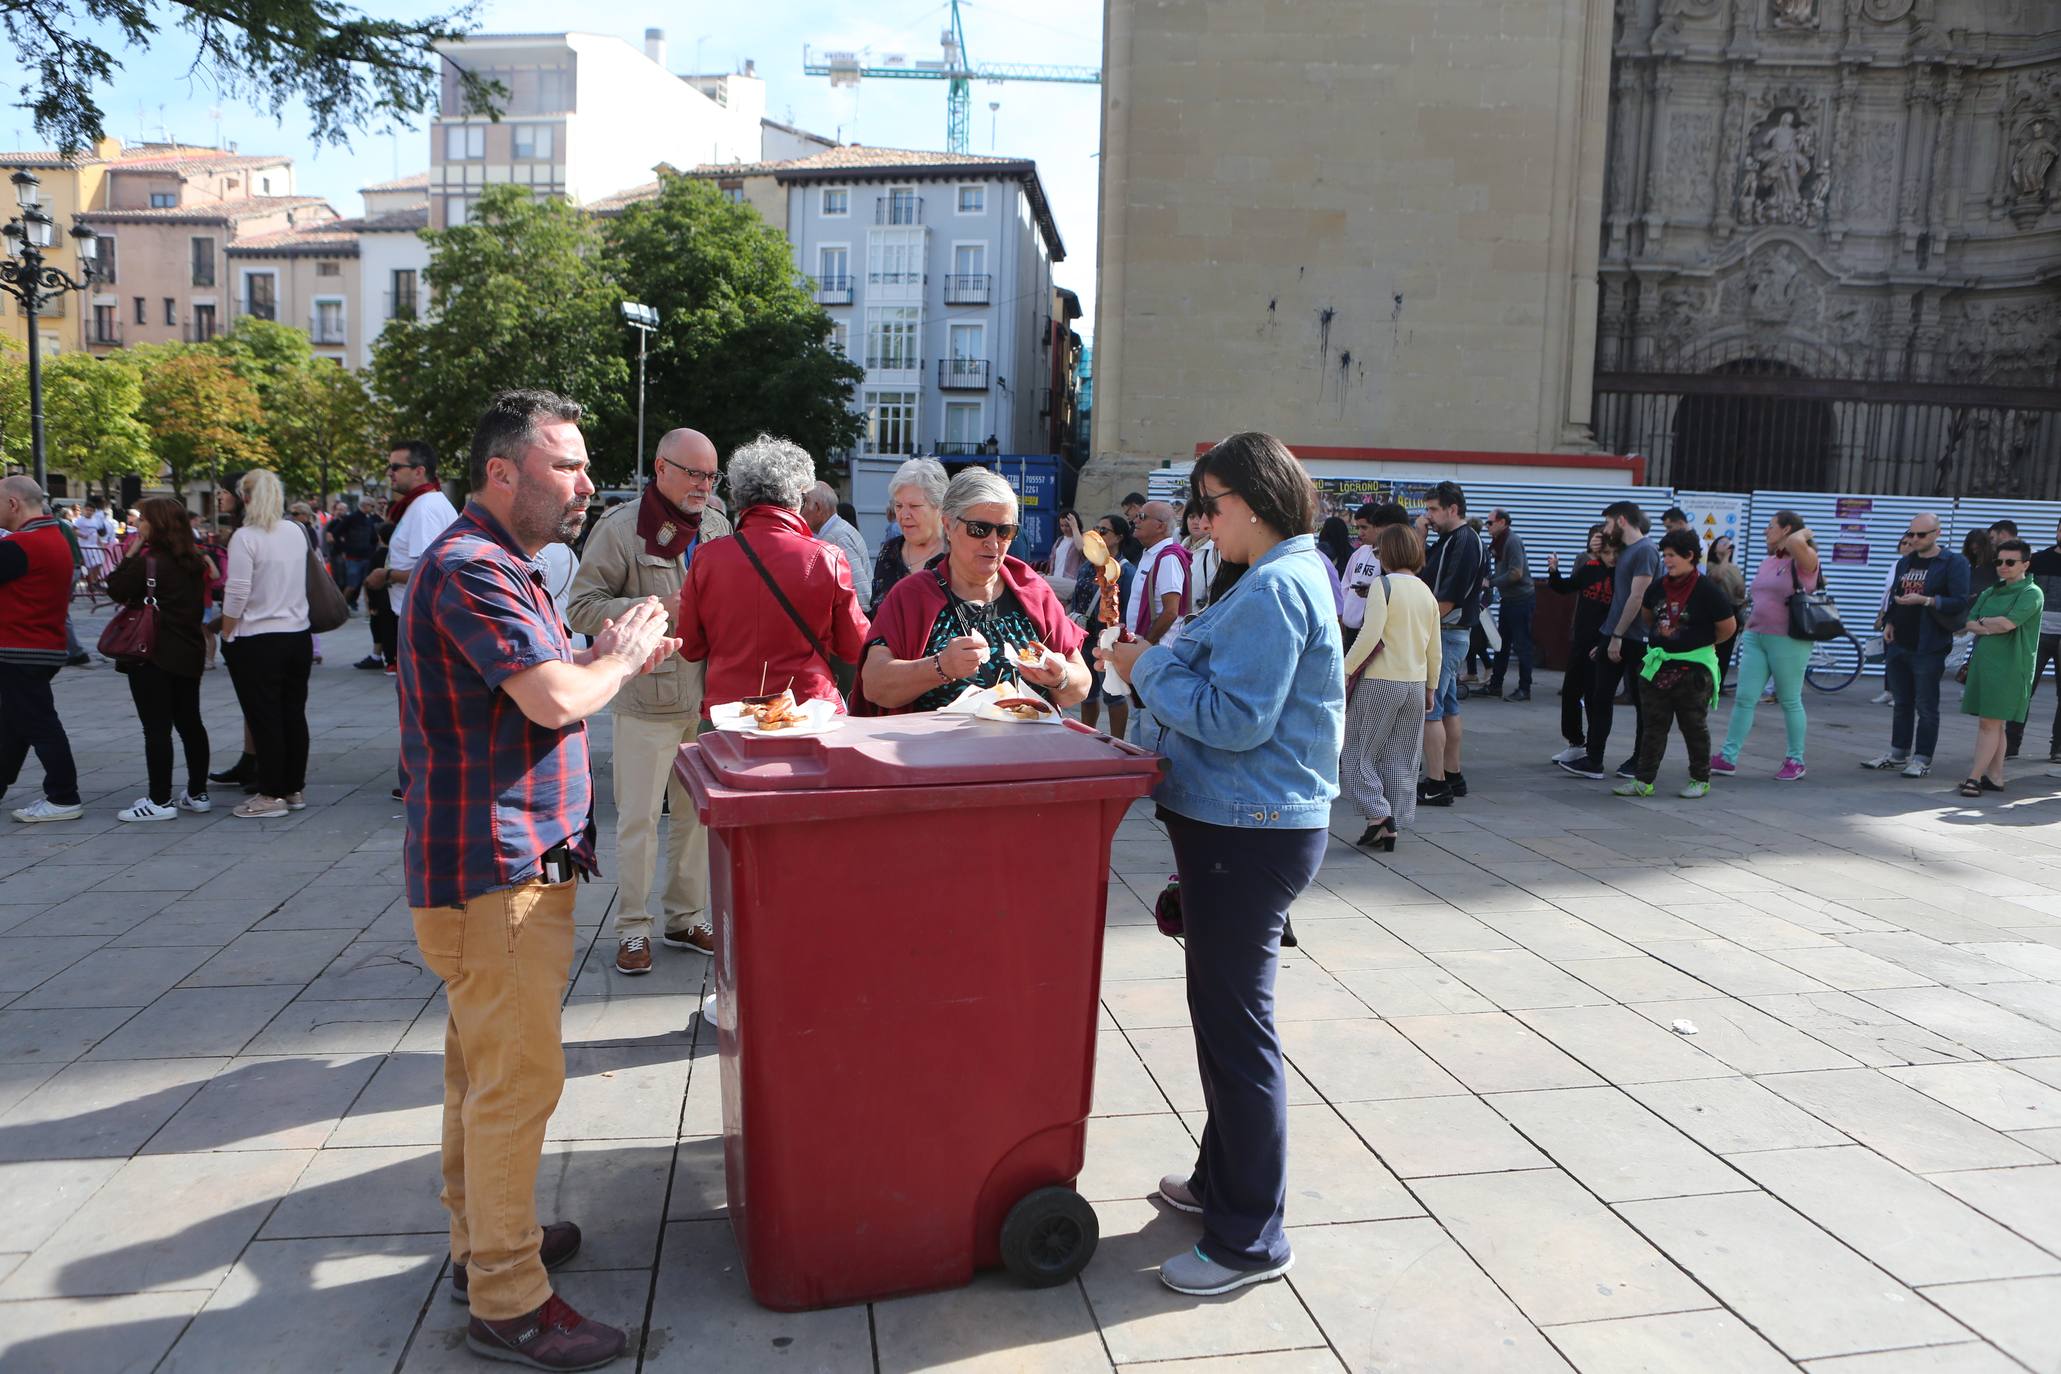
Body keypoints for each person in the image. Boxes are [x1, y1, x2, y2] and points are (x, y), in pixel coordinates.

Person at [402, 389, 668, 1372]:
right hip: (493, 874)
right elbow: (553, 699)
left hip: (501, 870)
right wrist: (622, 659)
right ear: (500, 472)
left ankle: (485, 1242)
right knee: (518, 1082)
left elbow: (541, 682)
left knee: (480, 1072)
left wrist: (601, 650)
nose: (586, 483)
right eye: (565, 464)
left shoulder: (502, 567)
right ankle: (508, 1300)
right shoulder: (473, 568)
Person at [1097, 432, 1342, 1298]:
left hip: (1252, 830)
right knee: (1223, 1019)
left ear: (1250, 499)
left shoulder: (1276, 584)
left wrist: (1145, 666)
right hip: (1244, 824)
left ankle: (1250, 1239)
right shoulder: (1278, 577)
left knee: (1238, 1032)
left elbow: (1236, 718)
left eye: (1208, 504)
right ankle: (1219, 1184)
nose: (1202, 524)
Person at [570, 428, 736, 973]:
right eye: (693, 473)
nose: (703, 485)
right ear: (660, 468)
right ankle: (633, 927)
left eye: (711, 476)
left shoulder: (716, 524)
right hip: (648, 695)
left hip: (706, 696)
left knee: (695, 818)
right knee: (639, 820)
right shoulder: (620, 528)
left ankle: (686, 917)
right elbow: (582, 608)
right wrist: (652, 605)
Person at [862, 467, 1088, 713]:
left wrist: (1061, 677)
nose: (992, 543)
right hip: (939, 749)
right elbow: (874, 685)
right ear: (948, 525)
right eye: (978, 529)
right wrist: (940, 667)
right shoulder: (913, 595)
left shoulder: (1032, 591)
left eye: (1005, 531)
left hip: (1026, 749)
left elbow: (1081, 686)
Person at [677, 435, 870, 713]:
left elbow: (690, 647)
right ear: (799, 498)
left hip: (730, 712)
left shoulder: (707, 557)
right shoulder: (826, 557)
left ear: (738, 497)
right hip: (806, 710)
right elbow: (855, 646)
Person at [105, 497, 216, 822]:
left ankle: (159, 800)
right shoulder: (195, 560)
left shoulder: (147, 561)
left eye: (143, 520)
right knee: (190, 723)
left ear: (154, 524)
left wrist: (131, 551)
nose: (138, 525)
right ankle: (198, 792)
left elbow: (115, 589)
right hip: (188, 650)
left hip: (152, 652)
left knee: (156, 728)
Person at [220, 469, 314, 819]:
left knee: (265, 717)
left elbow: (238, 591)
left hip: (258, 637)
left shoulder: (245, 537)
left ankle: (271, 792)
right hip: (297, 633)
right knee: (293, 714)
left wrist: (227, 631)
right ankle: (293, 787)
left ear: (246, 497)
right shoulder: (297, 531)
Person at [1340, 523, 1440, 851]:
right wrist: (1431, 687)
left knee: (1356, 752)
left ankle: (1379, 814)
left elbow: (1370, 635)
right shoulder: (1425, 591)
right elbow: (1434, 646)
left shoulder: (1383, 586)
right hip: (1414, 683)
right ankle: (1388, 822)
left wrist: (1344, 669)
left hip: (1380, 681)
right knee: (1397, 757)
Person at [1616, 530, 1735, 799]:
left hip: (1693, 671)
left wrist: (1697, 644)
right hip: (1659, 666)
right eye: (1665, 555)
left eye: (1672, 556)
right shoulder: (1658, 587)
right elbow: (1648, 617)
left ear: (1690, 556)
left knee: (1693, 726)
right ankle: (1643, 781)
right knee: (1652, 726)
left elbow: (1727, 628)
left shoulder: (1707, 590)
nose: (1667, 561)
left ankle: (1699, 778)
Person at [1710, 512, 1820, 783]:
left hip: (1789, 638)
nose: (1765, 532)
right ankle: (1728, 756)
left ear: (1787, 530)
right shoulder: (1769, 561)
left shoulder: (1805, 560)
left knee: (1790, 699)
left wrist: (1804, 533)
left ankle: (1796, 759)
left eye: (1770, 527)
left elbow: (1796, 541)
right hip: (1756, 636)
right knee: (1744, 698)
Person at [0, 476, 84, 823]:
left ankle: (64, 797)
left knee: (39, 723)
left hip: (21, 647)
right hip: (39, 644)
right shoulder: (53, 536)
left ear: (13, 504)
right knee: (15, 723)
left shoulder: (21, 545)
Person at [1865, 511, 1971, 779]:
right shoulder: (1905, 562)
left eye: (1920, 534)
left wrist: (1926, 600)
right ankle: (1898, 754)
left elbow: (1959, 601)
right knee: (1901, 702)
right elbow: (1896, 596)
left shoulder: (1953, 562)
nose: (1913, 539)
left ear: (1937, 534)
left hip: (1929, 643)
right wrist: (1889, 622)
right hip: (1899, 641)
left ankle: (1922, 758)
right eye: (1910, 534)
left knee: (1926, 705)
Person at [1559, 502, 1659, 782]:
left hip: (1634, 637)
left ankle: (1640, 760)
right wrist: (1607, 637)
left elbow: (1637, 598)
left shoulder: (1646, 551)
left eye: (1607, 524)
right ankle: (1594, 759)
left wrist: (1616, 636)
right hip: (1612, 633)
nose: (1605, 529)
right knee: (1599, 696)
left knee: (1642, 702)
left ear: (1621, 521)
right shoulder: (1625, 551)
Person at [1958, 538, 2044, 799]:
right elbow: (1970, 623)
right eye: (1999, 561)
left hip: (2011, 667)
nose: (2003, 566)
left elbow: (2007, 624)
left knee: (1988, 723)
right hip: (1985, 664)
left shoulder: (2032, 593)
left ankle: (1974, 777)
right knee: (1994, 724)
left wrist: (1986, 622)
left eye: (2010, 562)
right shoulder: (1991, 591)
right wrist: (1988, 623)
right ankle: (1995, 776)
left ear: (2025, 564)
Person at [1419, 481, 1485, 804]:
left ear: (1452, 509)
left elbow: (1449, 594)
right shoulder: (1450, 539)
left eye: (1433, 509)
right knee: (1446, 705)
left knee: (1431, 706)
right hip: (1446, 629)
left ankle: (1436, 782)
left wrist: (1421, 627)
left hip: (1446, 630)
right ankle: (1451, 775)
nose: (1428, 516)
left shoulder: (1464, 540)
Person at [1547, 528, 1616, 768]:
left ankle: (1594, 751)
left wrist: (1606, 642)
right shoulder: (1591, 569)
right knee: (1570, 693)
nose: (1611, 557)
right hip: (1581, 642)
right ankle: (1576, 743)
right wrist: (1554, 570)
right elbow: (1565, 587)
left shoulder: (1623, 575)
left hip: (1602, 644)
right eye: (1606, 552)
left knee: (1595, 699)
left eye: (1614, 552)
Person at [371, 440, 459, 620]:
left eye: (395, 467)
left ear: (419, 471)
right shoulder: (425, 503)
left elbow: (430, 574)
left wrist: (386, 575)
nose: (389, 473)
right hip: (419, 615)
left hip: (420, 618)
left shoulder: (424, 508)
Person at [1071, 514, 1137, 735]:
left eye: (1104, 531)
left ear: (1118, 537)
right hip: (1084, 637)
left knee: (1113, 695)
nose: (1097, 534)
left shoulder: (1125, 571)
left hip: (1108, 640)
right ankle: (1088, 739)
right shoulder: (1087, 567)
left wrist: (1118, 640)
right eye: (1096, 528)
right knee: (1087, 693)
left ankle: (1118, 742)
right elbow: (1077, 598)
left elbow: (1128, 609)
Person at [2008, 518, 2061, 764]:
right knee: (2023, 690)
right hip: (2036, 634)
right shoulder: (2039, 560)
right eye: (2060, 528)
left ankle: (2057, 748)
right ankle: (2010, 744)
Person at [870, 457, 949, 614]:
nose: (904, 515)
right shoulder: (889, 551)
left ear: (939, 506)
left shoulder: (956, 555)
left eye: (914, 506)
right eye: (898, 506)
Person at [1484, 507, 1534, 701]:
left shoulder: (1512, 541)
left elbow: (1516, 573)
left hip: (1521, 600)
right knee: (1501, 645)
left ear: (1502, 522)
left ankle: (1525, 689)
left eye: (1490, 522)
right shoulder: (1499, 541)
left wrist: (1491, 582)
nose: (1487, 526)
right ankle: (1495, 685)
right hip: (1509, 600)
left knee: (1522, 646)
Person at [802, 480, 872, 609]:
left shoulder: (838, 537)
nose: (800, 511)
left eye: (804, 504)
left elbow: (861, 594)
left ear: (817, 508)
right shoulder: (840, 530)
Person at [1705, 534, 1747, 691]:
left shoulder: (1734, 568)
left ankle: (1719, 685)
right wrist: (1725, 558)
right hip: (1715, 613)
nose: (1727, 545)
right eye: (1722, 543)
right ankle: (1709, 683)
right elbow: (1717, 577)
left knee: (1726, 653)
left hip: (1733, 610)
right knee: (1714, 650)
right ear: (1714, 547)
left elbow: (1740, 590)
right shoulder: (1709, 565)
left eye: (1728, 543)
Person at [332, 497, 379, 611]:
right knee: (352, 585)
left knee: (367, 585)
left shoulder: (370, 519)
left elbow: (373, 537)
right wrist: (344, 548)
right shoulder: (351, 518)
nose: (373, 508)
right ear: (365, 505)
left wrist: (372, 549)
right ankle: (340, 608)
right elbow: (336, 532)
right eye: (371, 506)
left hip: (366, 556)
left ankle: (369, 612)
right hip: (353, 557)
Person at [1045, 508, 1090, 604]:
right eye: (1062, 526)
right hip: (1056, 580)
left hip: (1070, 582)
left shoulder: (1082, 538)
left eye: (1067, 525)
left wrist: (1075, 527)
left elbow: (1081, 548)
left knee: (1041, 580)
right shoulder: (1059, 540)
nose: (1064, 529)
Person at [1117, 493, 1147, 564]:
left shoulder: (1141, 526)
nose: (1127, 517)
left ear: (1134, 507)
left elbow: (1130, 553)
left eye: (1127, 513)